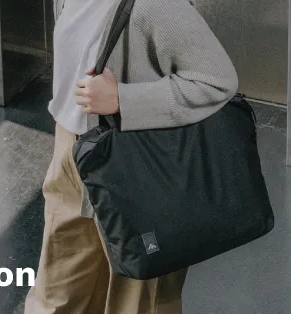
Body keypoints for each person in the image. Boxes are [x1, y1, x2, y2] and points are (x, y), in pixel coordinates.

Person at [24, 0, 238, 313]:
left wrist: (122, 100)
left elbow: (217, 80)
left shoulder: (158, 5)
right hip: (72, 156)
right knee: (58, 294)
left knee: (136, 299)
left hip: (136, 169)